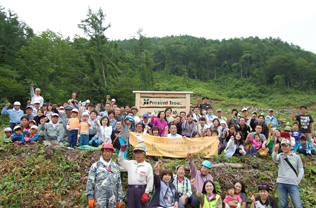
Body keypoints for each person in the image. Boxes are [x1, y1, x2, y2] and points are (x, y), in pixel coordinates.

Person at [86, 143, 124, 208]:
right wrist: (90, 197)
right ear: (102, 152)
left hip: (112, 200)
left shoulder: (116, 167)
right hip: (99, 200)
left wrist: (120, 198)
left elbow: (119, 184)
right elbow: (90, 182)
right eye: (106, 151)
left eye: (109, 151)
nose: (107, 153)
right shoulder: (95, 166)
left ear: (112, 152)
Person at [273, 139, 304, 208]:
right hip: (281, 182)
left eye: (286, 146)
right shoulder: (280, 156)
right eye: (282, 146)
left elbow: (301, 170)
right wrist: (275, 151)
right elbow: (274, 158)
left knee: (298, 204)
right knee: (283, 204)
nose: (284, 147)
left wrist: (297, 181)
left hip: (293, 183)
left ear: (290, 146)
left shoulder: (296, 157)